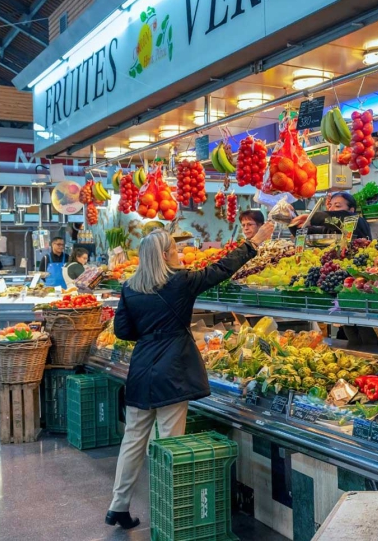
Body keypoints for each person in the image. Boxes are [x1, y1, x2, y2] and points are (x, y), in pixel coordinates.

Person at [105, 223, 275, 530]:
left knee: (133, 440)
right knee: (171, 443)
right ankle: (167, 509)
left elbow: (122, 331)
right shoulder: (181, 282)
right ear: (167, 254)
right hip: (173, 368)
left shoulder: (130, 287)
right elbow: (221, 269)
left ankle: (118, 506)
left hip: (142, 367)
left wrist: (149, 332)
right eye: (176, 249)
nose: (180, 253)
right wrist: (252, 244)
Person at [288, 191, 371, 240]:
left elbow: (343, 217)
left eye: (337, 206)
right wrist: (291, 217)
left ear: (351, 210)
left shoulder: (359, 221)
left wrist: (312, 218)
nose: (331, 209)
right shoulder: (328, 229)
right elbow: (302, 234)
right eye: (330, 205)